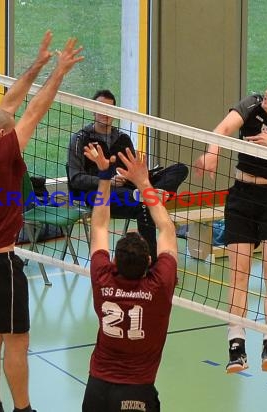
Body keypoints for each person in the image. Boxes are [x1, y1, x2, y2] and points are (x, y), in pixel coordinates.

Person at [0, 31, 84, 412]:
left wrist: (39, 62)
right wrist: (59, 71)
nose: (16, 132)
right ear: (2, 136)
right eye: (9, 131)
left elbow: (9, 106)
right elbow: (33, 111)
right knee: (17, 342)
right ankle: (24, 409)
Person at [193, 71, 267, 373]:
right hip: (242, 196)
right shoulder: (252, 105)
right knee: (239, 271)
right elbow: (223, 128)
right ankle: (236, 343)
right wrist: (212, 152)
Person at [81, 145, 178, 412]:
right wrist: (144, 182)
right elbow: (166, 228)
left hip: (97, 389)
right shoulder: (158, 286)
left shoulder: (103, 277)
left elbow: (99, 224)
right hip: (137, 390)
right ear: (150, 262)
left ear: (114, 261)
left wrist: (104, 175)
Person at [67, 89, 188, 263]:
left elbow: (131, 167)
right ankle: (151, 263)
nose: (105, 113)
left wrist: (138, 176)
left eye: (110, 108)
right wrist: (107, 180)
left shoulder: (123, 138)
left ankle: (151, 192)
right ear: (92, 110)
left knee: (180, 169)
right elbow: (76, 178)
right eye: (100, 107)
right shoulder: (80, 139)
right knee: (144, 204)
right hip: (100, 194)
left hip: (129, 186)